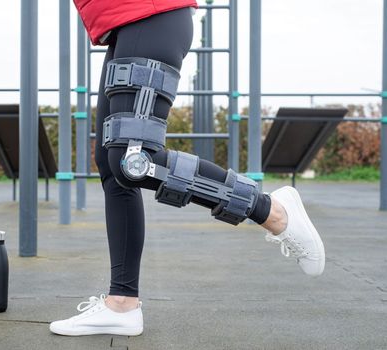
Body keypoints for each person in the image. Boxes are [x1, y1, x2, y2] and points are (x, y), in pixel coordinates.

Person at [50, 0, 325, 337]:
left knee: (135, 160)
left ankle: (272, 211)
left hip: (147, 14)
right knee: (113, 166)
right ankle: (122, 304)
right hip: (124, 24)